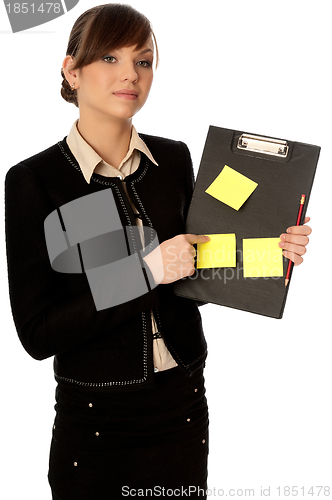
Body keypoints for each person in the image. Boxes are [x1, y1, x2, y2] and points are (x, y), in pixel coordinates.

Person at [4, 4, 311, 499]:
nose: (130, 74)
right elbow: (38, 333)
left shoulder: (172, 159)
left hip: (183, 410)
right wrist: (145, 271)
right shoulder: (36, 181)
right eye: (109, 58)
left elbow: (196, 273)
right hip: (96, 427)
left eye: (143, 61)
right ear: (72, 70)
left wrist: (271, 251)